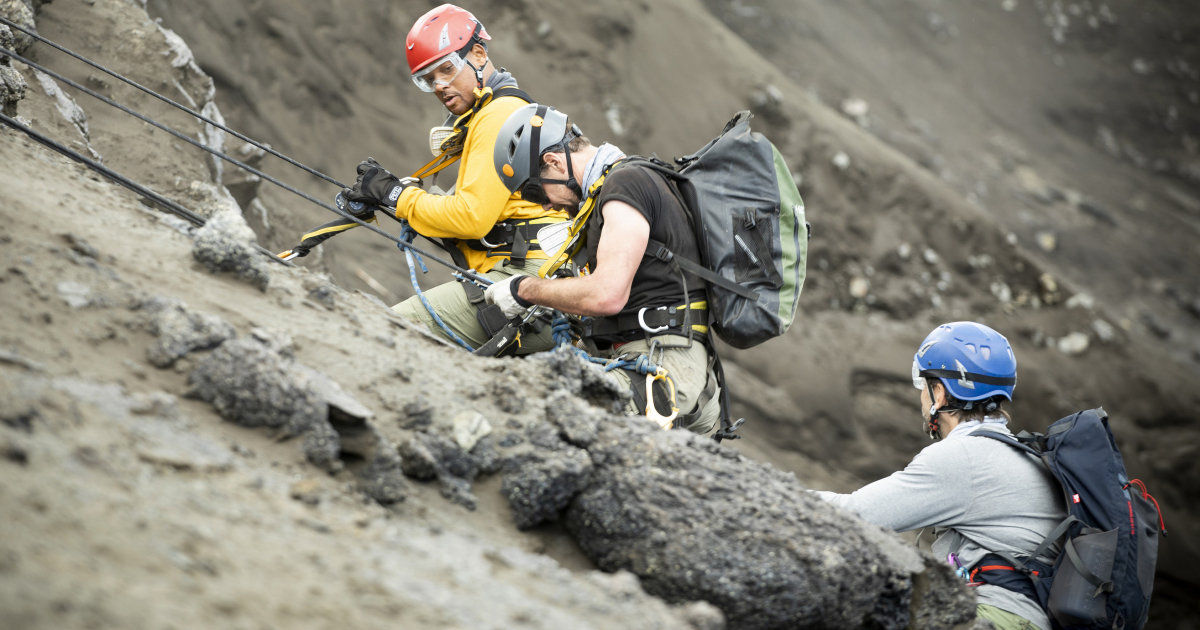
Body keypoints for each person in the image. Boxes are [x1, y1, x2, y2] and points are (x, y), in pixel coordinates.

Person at [341, 4, 568, 353]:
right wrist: (402, 198)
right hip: (538, 277)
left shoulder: (497, 117)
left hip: (523, 281)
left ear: (478, 54)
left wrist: (395, 196)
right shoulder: (503, 111)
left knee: (378, 333)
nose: (440, 86)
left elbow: (471, 218)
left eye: (446, 69)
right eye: (428, 79)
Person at [813, 322, 1067, 630]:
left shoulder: (964, 457)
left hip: (1000, 618)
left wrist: (777, 493)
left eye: (924, 385)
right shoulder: (1021, 453)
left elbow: (856, 514)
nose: (921, 396)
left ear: (940, 393)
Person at [485, 103, 721, 433]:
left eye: (535, 190)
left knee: (543, 426)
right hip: (652, 357)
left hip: (661, 362)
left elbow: (607, 294)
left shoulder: (625, 184)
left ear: (553, 162)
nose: (544, 205)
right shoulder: (618, 186)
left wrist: (524, 290)